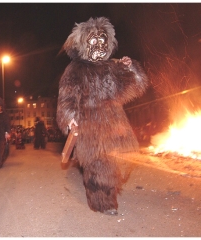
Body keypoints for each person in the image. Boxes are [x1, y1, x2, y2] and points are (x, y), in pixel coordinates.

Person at [56, 17, 149, 215]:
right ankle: (103, 203)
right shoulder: (75, 70)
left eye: (102, 41)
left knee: (117, 164)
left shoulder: (111, 68)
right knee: (98, 167)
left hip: (115, 124)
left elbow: (134, 87)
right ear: (82, 44)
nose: (99, 45)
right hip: (90, 127)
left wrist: (130, 69)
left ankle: (106, 197)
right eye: (93, 41)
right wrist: (70, 116)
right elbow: (67, 96)